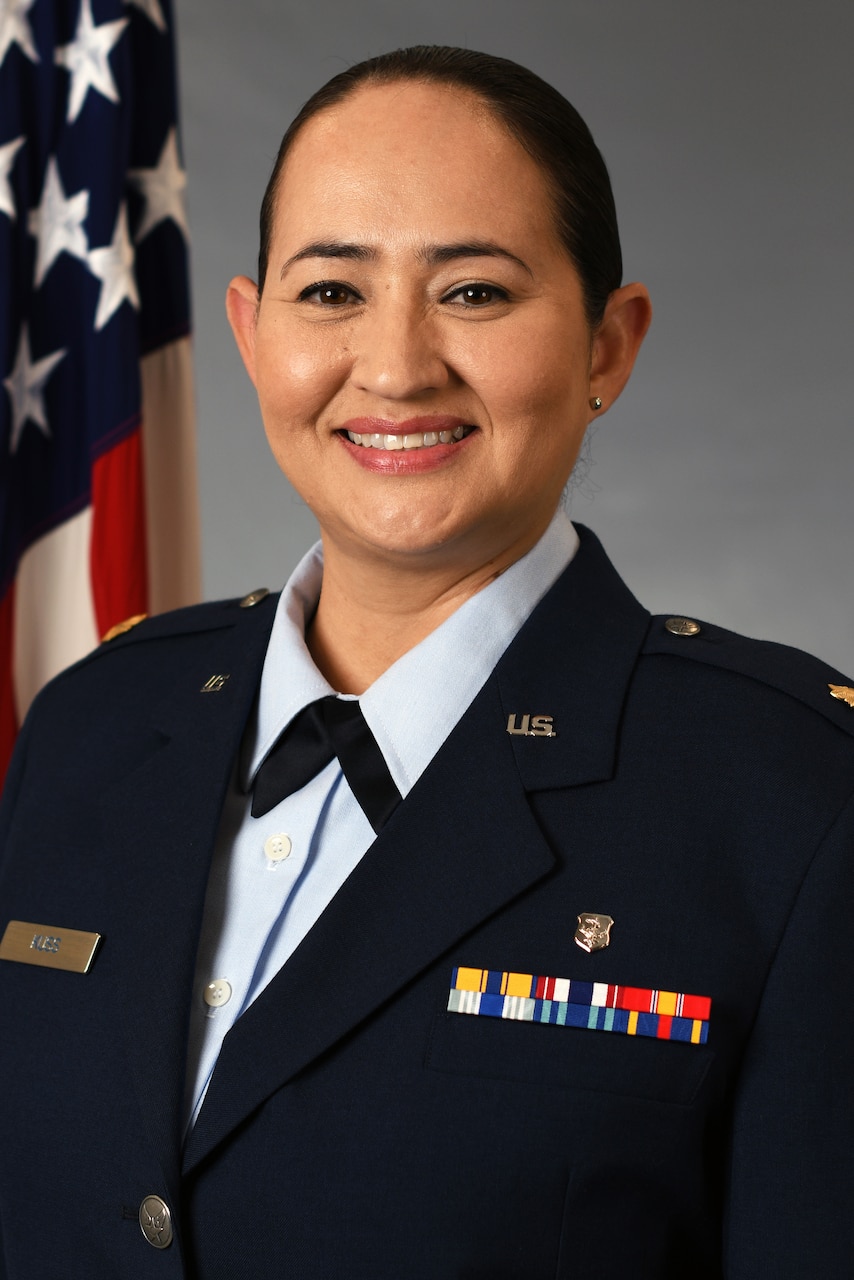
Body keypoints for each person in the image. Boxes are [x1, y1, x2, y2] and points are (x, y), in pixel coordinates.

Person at [0, 44, 852, 1280]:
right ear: (249, 332)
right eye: (331, 292)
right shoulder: (95, 721)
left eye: (473, 292)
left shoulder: (789, 806)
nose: (395, 367)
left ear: (607, 346)